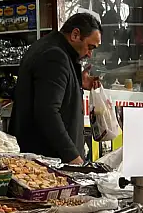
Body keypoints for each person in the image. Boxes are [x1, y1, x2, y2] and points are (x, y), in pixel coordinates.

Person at [9, 13, 102, 164]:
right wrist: (73, 157)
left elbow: (51, 90)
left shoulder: (50, 47)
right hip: (49, 161)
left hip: (45, 157)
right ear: (75, 35)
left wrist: (77, 81)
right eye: (90, 47)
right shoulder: (55, 56)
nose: (90, 54)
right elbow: (47, 112)